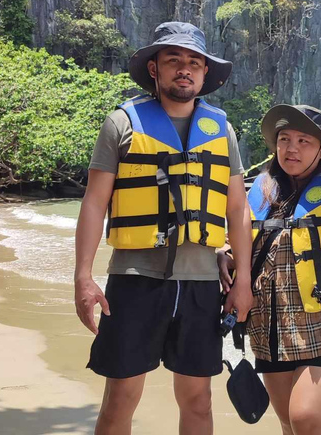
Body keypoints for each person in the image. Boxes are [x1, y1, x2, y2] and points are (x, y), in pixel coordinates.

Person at [74, 21, 253, 435]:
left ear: (205, 74)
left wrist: (243, 278)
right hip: (134, 280)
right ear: (154, 68)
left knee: (199, 402)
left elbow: (237, 210)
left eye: (194, 62)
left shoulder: (221, 130)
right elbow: (94, 203)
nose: (184, 69)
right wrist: (83, 277)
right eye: (173, 60)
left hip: (201, 285)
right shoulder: (122, 123)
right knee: (120, 398)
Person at [218, 104, 321, 435]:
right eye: (284, 139)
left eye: (304, 141)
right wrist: (225, 254)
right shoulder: (261, 189)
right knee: (289, 424)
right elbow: (237, 242)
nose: (291, 148)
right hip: (270, 330)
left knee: (307, 418)